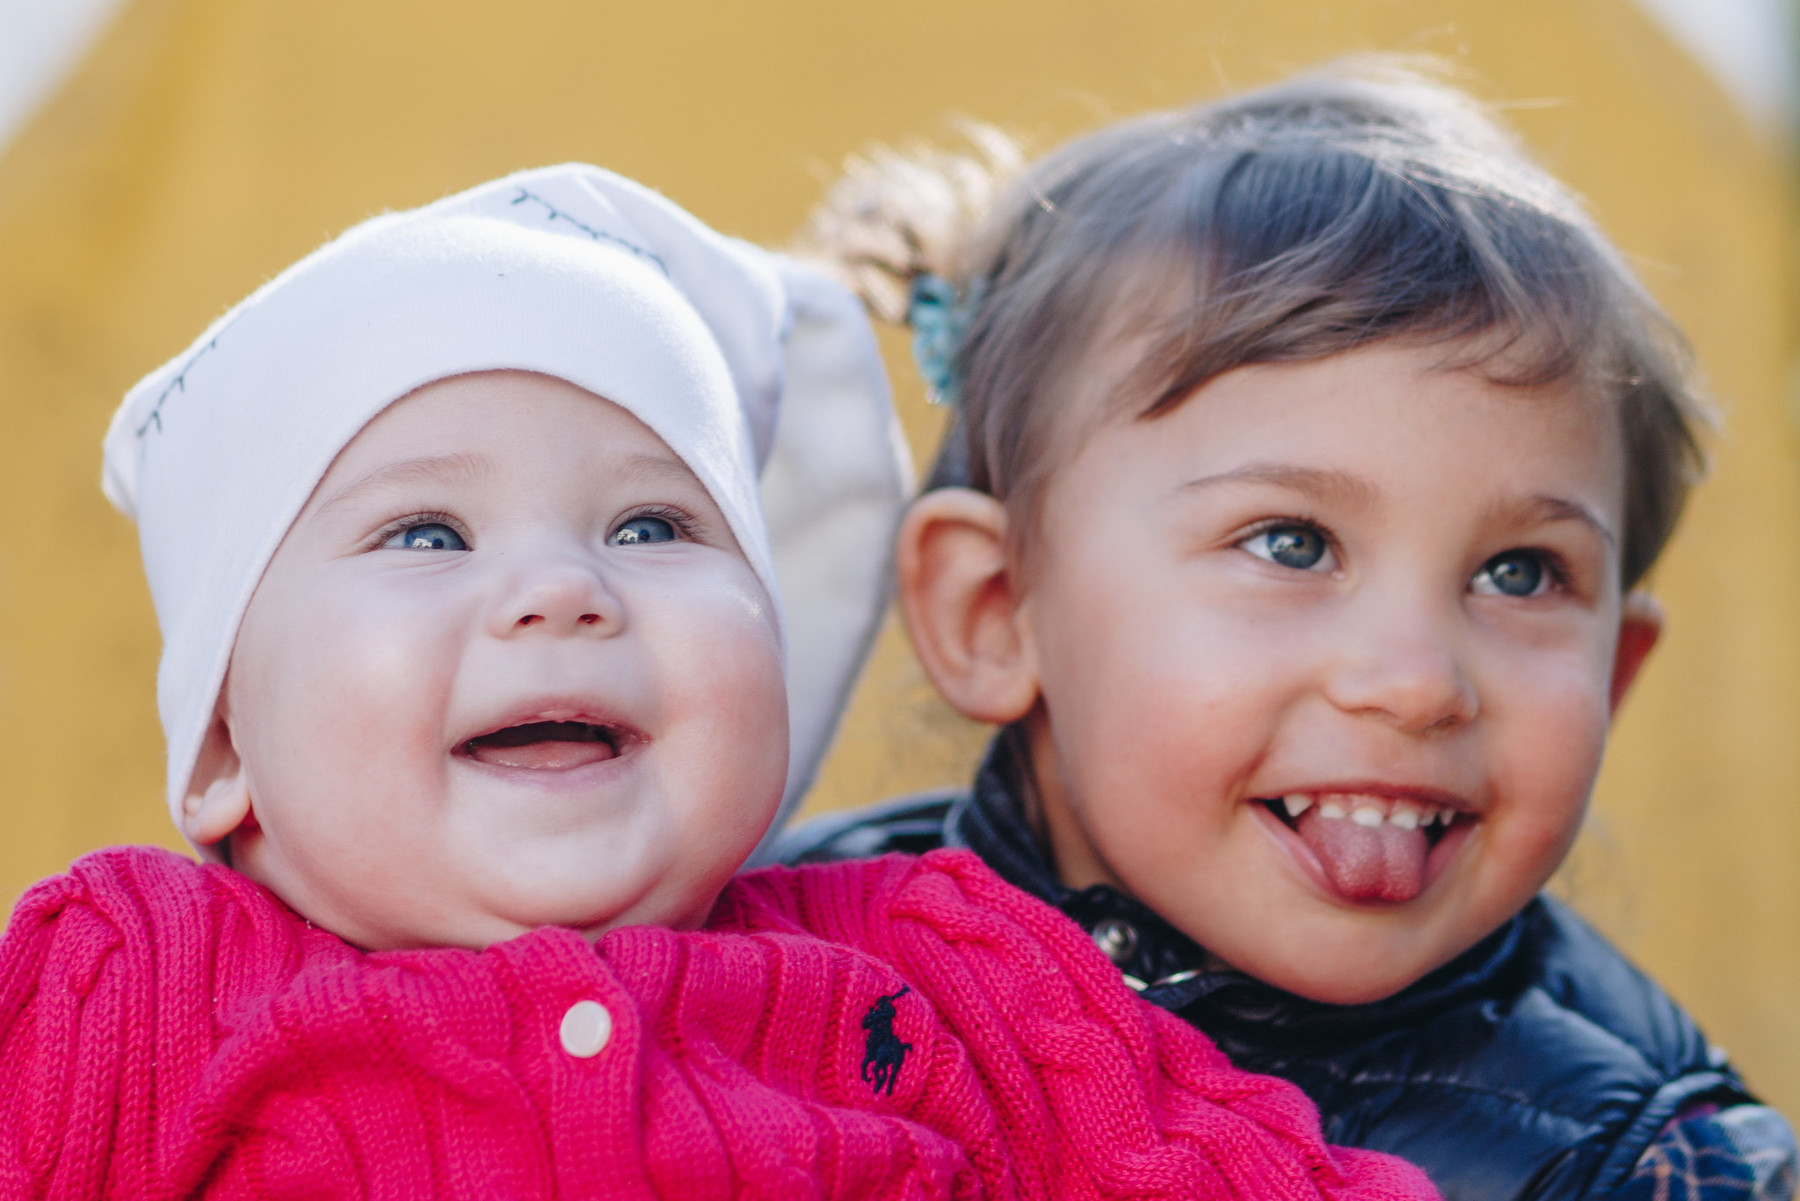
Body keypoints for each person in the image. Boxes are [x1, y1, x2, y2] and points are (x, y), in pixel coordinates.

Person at [0, 163, 1440, 1201]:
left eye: (654, 525)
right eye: (425, 532)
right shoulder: (125, 986)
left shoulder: (948, 971)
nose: (564, 588)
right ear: (222, 745)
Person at [777, 64, 1799, 1201]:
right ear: (994, 609)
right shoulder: (747, 983)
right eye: (1292, 544)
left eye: (1520, 572)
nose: (1415, 683)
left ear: (1615, 673)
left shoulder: (1645, 1165)